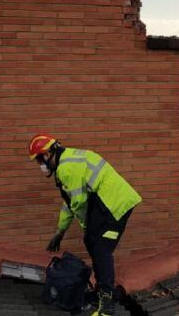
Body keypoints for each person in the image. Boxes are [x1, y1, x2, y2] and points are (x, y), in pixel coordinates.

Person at [29, 134, 141, 316]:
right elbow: (69, 203)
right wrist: (60, 231)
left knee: (101, 249)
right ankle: (100, 291)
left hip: (114, 203)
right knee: (92, 242)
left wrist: (86, 227)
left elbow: (78, 203)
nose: (40, 165)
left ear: (48, 153)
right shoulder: (65, 163)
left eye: (39, 160)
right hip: (104, 201)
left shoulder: (66, 168)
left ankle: (107, 306)